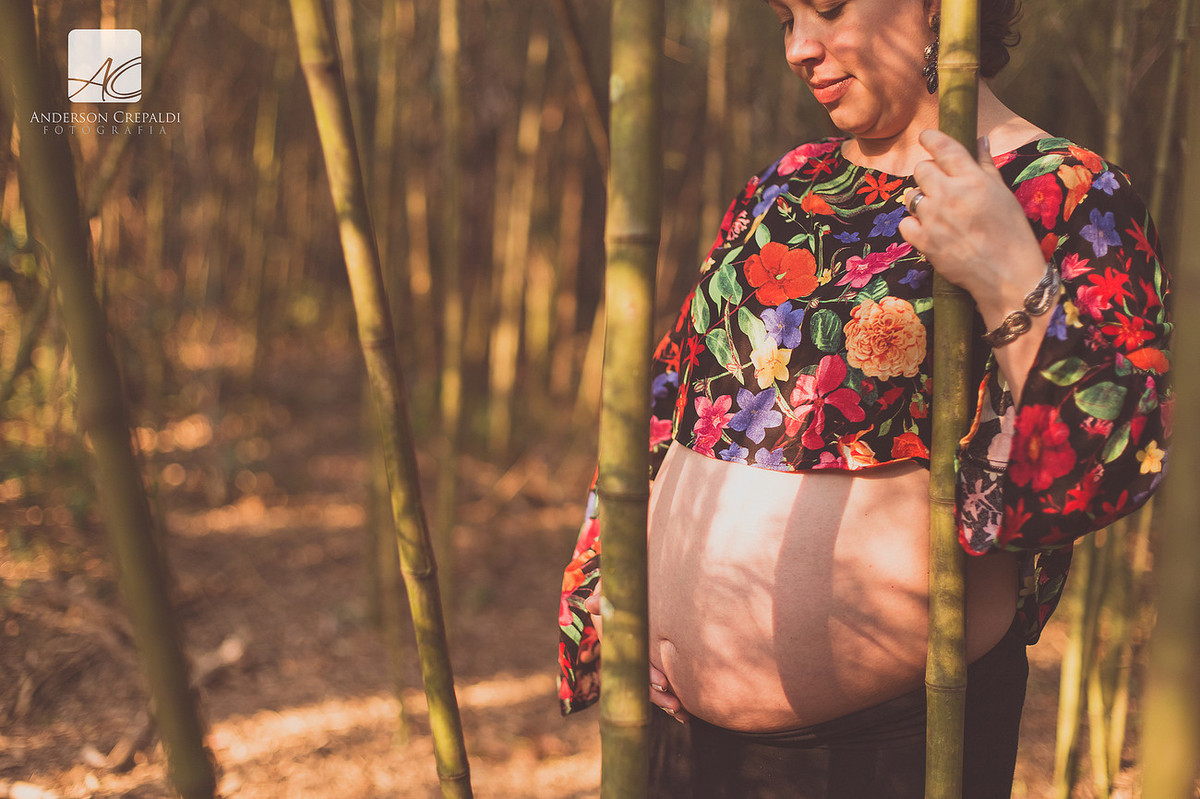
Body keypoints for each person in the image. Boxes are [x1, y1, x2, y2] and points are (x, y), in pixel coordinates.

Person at [558, 0, 1172, 795]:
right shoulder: (786, 184)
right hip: (678, 735)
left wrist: (1009, 276)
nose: (799, 48)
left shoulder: (1064, 190)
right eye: (785, 19)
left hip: (887, 746)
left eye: (829, 8)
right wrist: (618, 582)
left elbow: (1118, 451)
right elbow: (667, 400)